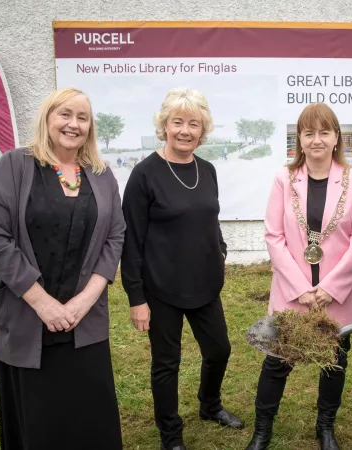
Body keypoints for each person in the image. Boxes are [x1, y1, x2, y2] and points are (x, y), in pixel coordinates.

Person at [0, 87, 125, 449]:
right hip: (27, 315)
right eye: (65, 114)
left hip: (83, 320)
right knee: (39, 421)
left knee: (91, 413)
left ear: (90, 127)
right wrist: (42, 303)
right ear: (47, 118)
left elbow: (115, 238)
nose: (73, 124)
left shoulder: (102, 175)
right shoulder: (15, 165)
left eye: (82, 118)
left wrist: (83, 302)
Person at [121, 88, 244, 450]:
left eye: (194, 124)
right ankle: (171, 436)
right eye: (178, 122)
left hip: (205, 284)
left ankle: (210, 405)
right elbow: (131, 241)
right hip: (162, 289)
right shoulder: (144, 175)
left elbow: (210, 218)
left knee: (219, 350)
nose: (185, 131)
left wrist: (218, 249)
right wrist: (136, 297)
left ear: (202, 130)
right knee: (166, 364)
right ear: (165, 126)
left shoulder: (207, 170)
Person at [246, 103, 352, 450]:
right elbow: (274, 236)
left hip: (337, 293)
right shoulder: (284, 179)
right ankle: (262, 429)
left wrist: (330, 288)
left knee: (335, 360)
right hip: (292, 291)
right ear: (299, 139)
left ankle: (325, 426)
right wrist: (300, 289)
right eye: (309, 132)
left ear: (336, 138)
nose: (316, 140)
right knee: (277, 359)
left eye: (324, 132)